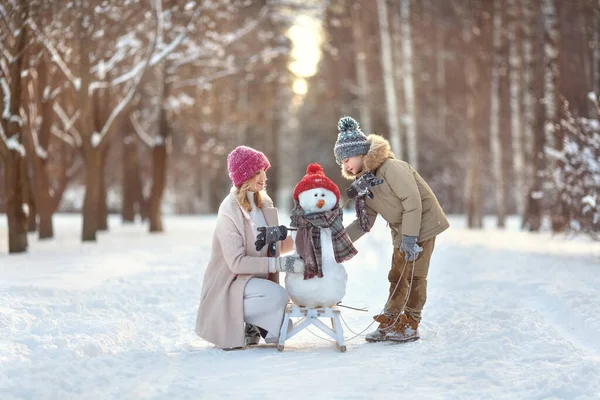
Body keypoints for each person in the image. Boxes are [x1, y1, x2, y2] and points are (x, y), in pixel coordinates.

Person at [333, 116, 450, 343]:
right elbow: (363, 222)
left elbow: (412, 202)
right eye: (342, 162)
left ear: (361, 153)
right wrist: (337, 241)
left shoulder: (391, 168)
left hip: (423, 225)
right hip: (402, 229)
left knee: (415, 275)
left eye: (348, 158)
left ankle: (411, 323)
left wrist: (410, 238)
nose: (345, 165)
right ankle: (392, 319)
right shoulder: (365, 183)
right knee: (397, 274)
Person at [195, 146, 304, 350]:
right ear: (244, 177)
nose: (263, 177)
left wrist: (302, 236)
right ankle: (241, 320)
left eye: (264, 170)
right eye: (256, 172)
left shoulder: (265, 204)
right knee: (278, 296)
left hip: (256, 284)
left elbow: (275, 248)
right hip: (230, 285)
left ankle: (254, 324)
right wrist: (279, 264)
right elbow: (236, 263)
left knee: (279, 333)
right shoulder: (229, 211)